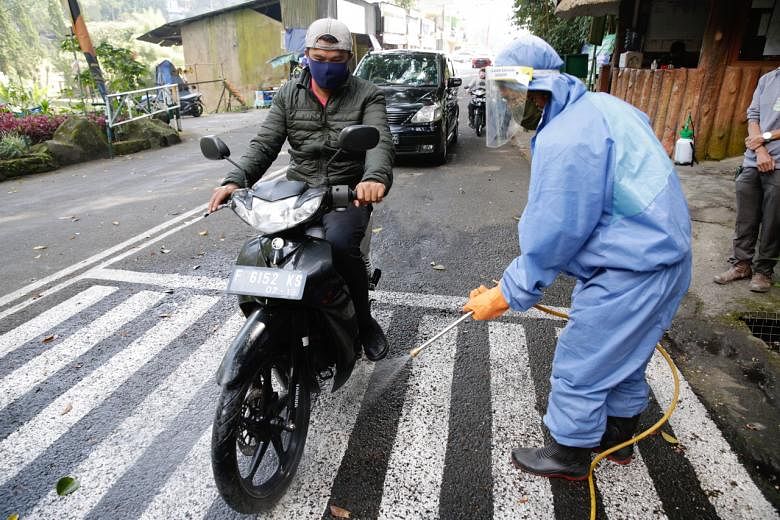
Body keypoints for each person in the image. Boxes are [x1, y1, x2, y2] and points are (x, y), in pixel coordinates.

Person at [462, 34, 692, 480]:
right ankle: (619, 438)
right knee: (626, 353)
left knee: (581, 361)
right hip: (665, 256)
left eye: (512, 94)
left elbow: (556, 230)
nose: (509, 103)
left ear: (538, 88)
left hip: (631, 268)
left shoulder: (567, 137)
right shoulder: (607, 107)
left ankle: (569, 454)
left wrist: (506, 294)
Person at [207, 18, 394, 361]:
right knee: (267, 249)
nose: (326, 65)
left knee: (338, 246)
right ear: (306, 55)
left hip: (347, 191)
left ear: (348, 59)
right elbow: (265, 144)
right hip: (298, 191)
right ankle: (270, 328)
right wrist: (235, 181)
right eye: (319, 57)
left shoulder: (368, 94)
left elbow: (379, 144)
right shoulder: (288, 94)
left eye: (335, 58)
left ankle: (364, 322)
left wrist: (374, 179)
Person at [713, 69, 780, 293]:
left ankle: (763, 271)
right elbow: (753, 116)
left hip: (779, 163)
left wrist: (766, 137)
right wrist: (760, 149)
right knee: (746, 217)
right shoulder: (768, 79)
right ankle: (742, 265)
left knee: (773, 221)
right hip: (753, 159)